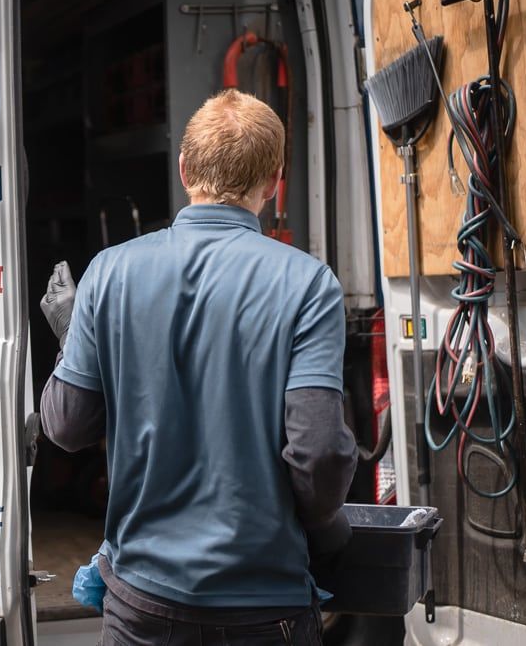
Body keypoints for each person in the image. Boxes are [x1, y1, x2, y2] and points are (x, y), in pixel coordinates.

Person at [39, 89, 357, 645]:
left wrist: (72, 335)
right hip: (264, 608)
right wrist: (328, 534)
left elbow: (66, 426)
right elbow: (320, 452)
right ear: (275, 180)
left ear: (185, 169)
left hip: (141, 607)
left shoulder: (109, 272)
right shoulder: (309, 284)